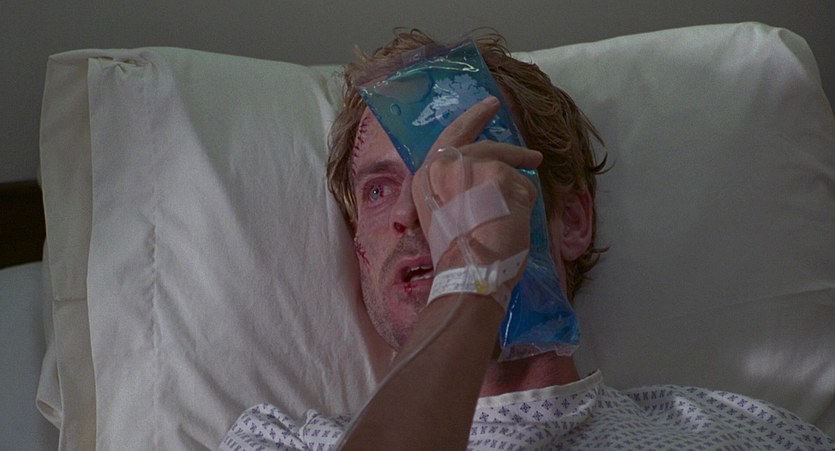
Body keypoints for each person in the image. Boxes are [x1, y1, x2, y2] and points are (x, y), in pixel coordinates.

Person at [220, 29, 834, 450]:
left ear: (571, 221)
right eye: (380, 190)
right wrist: (472, 274)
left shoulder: (743, 435)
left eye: (463, 166)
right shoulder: (280, 443)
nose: (416, 209)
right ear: (360, 251)